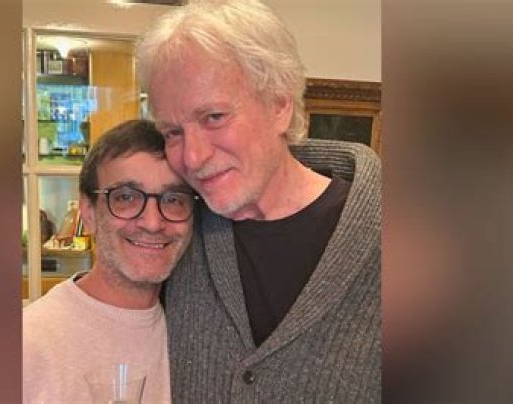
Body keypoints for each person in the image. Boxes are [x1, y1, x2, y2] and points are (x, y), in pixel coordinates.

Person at [136, 0, 381, 401]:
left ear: (280, 106)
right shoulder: (175, 230)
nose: (192, 158)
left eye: (214, 117)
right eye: (172, 132)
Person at [22, 119, 196, 403]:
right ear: (88, 213)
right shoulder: (28, 346)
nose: (153, 222)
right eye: (125, 197)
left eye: (173, 199)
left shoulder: (198, 335)